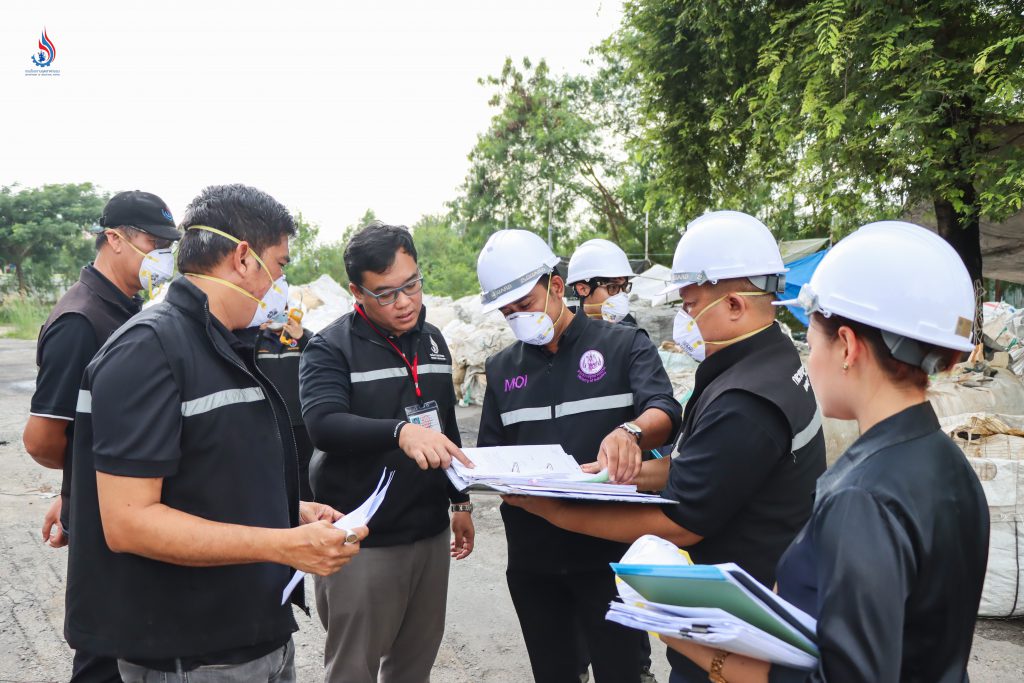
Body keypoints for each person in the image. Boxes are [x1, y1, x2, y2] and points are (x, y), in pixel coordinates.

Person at [502, 211, 826, 681]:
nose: (686, 316)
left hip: (737, 622)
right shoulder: (765, 363)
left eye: (691, 304)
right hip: (748, 601)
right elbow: (692, 467)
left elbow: (681, 521)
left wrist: (553, 508)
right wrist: (604, 474)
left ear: (735, 304)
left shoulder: (746, 401)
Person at [661, 220, 990, 682]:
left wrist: (700, 647)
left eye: (811, 340)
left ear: (848, 347)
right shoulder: (948, 464)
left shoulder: (863, 497)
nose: (808, 358)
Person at [64, 184, 366, 683]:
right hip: (192, 655)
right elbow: (130, 522)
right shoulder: (151, 349)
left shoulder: (225, 344)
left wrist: (290, 513)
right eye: (281, 264)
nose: (283, 283)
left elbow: (211, 479)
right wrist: (281, 544)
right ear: (244, 258)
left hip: (254, 634)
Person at [475, 229, 682, 683]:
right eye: (507, 312)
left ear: (554, 286)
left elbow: (665, 410)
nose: (518, 318)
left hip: (608, 557)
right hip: (534, 561)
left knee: (623, 673)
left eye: (524, 305)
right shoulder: (502, 369)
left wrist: (631, 432)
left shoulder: (623, 345)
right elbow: (491, 453)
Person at [299, 221, 475, 683]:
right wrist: (398, 431)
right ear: (356, 291)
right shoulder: (329, 348)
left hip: (429, 534)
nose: (404, 302)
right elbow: (324, 424)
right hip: (364, 544)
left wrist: (459, 501)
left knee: (413, 667)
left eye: (411, 285)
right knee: (354, 669)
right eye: (386, 293)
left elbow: (446, 426)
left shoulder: (433, 341)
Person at [22, 189, 179, 683]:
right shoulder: (81, 319)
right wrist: (83, 483)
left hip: (125, 508)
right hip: (108, 522)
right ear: (114, 238)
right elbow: (42, 438)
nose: (163, 256)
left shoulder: (130, 307)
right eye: (154, 243)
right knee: (106, 653)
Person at [237, 311, 315, 499]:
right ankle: (280, 508)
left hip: (300, 418)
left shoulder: (304, 336)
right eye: (272, 312)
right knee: (274, 466)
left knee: (303, 468)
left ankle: (305, 509)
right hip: (269, 418)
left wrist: (301, 337)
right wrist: (254, 333)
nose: (276, 317)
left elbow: (319, 358)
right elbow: (242, 361)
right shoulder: (257, 338)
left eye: (281, 311)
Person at [566, 238, 643, 332]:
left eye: (624, 287)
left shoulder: (631, 333)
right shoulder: (564, 333)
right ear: (583, 289)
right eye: (613, 287)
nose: (621, 295)